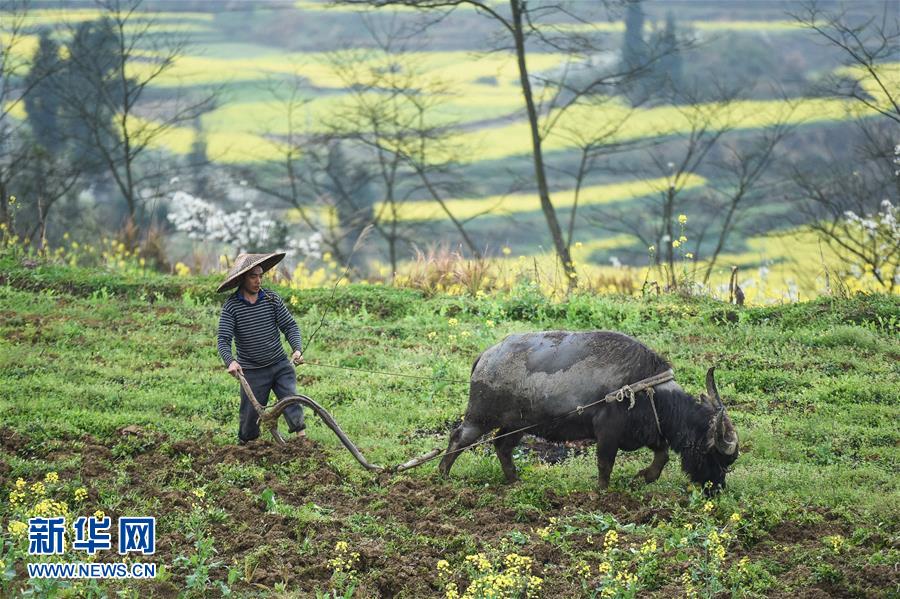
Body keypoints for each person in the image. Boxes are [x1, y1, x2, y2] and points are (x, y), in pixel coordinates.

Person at [216, 252, 306, 444]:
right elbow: (223, 339)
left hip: (280, 364)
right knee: (249, 422)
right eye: (253, 276)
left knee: (291, 400)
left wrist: (297, 349)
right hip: (252, 371)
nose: (258, 281)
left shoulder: (271, 299)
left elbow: (289, 326)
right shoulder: (231, 307)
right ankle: (248, 448)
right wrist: (231, 361)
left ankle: (302, 441)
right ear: (242, 279)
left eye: (260, 276)